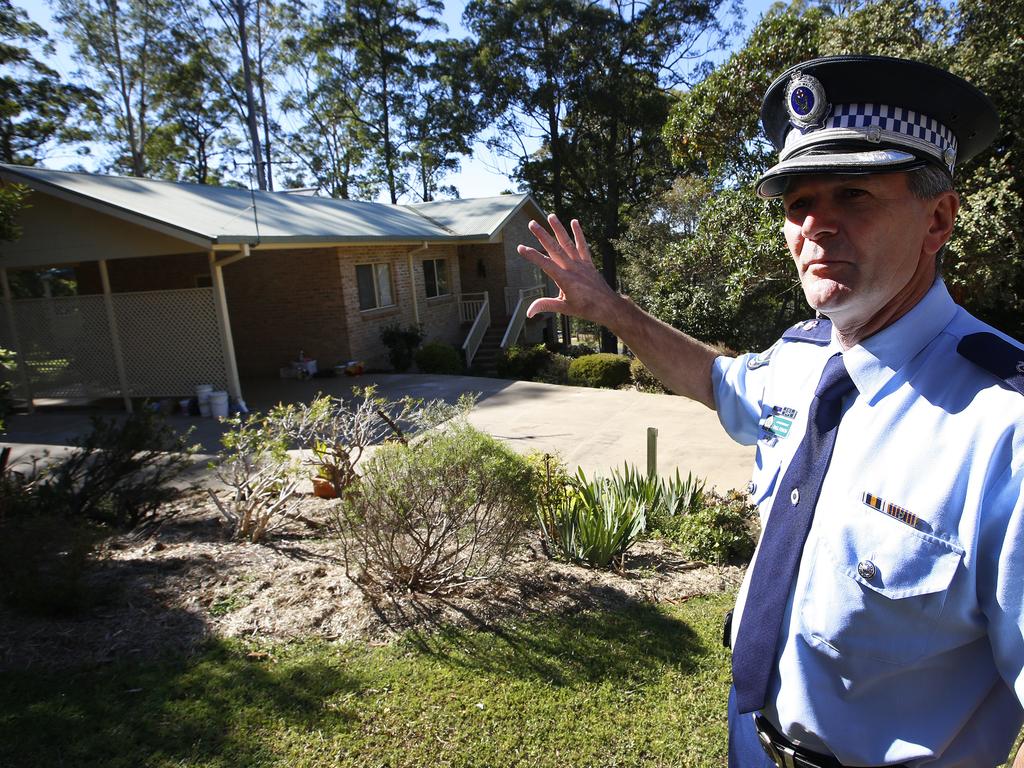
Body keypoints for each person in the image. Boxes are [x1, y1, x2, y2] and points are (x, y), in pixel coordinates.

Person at [517, 55, 1024, 768]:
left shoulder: (1004, 428)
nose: (817, 226)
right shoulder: (800, 359)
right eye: (798, 205)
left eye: (853, 195)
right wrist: (608, 309)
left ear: (938, 218)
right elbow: (715, 379)